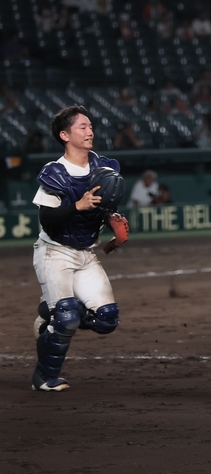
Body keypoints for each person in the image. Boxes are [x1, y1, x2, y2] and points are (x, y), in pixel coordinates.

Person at [30, 106, 124, 391]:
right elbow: (47, 219)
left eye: (90, 125)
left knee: (107, 319)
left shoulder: (102, 167)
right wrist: (77, 205)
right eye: (82, 126)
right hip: (54, 252)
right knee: (68, 318)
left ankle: (49, 311)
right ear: (64, 135)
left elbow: (103, 208)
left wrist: (112, 220)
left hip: (86, 253)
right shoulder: (55, 172)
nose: (89, 130)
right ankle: (44, 378)